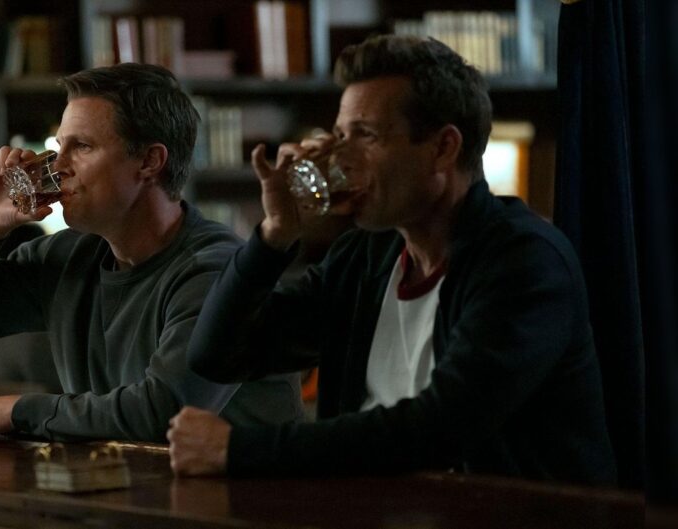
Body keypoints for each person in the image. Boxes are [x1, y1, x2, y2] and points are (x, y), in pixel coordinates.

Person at [167, 35, 617, 485]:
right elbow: (216, 355)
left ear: (443, 148)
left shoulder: (525, 261)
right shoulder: (365, 256)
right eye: (339, 136)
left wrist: (240, 450)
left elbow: (438, 429)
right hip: (377, 510)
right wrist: (275, 234)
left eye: (366, 136)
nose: (342, 158)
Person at [0, 63, 303, 443]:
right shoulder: (68, 256)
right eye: (59, 147)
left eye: (82, 146)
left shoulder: (216, 270)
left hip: (247, 484)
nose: (58, 166)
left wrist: (20, 411)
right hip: (136, 481)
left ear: (149, 162)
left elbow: (166, 413)